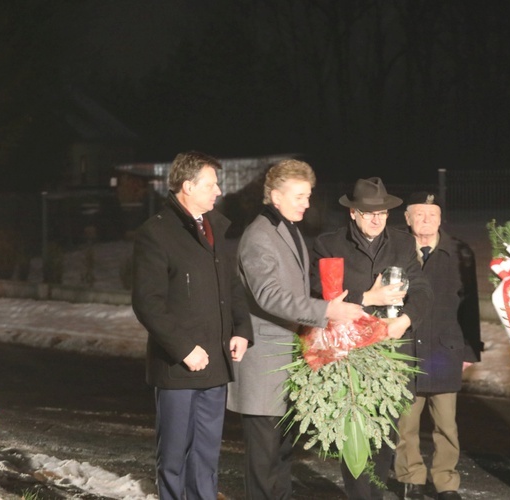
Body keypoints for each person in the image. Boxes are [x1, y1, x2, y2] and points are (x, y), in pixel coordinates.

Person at [227, 159, 364, 500]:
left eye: (308, 195)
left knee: (282, 454)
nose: (307, 202)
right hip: (264, 364)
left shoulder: (287, 228)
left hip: (285, 362)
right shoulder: (259, 235)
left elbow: (295, 291)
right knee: (264, 460)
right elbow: (270, 296)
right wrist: (326, 310)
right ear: (275, 196)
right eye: (300, 196)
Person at [131, 151, 253, 500]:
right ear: (187, 186)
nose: (218, 191)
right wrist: (184, 349)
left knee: (206, 454)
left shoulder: (215, 227)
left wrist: (242, 329)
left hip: (214, 363)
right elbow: (147, 303)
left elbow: (230, 287)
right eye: (211, 184)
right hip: (178, 368)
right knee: (174, 455)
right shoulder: (156, 232)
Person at [310, 177, 433, 500]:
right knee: (355, 436)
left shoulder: (404, 244)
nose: (376, 218)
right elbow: (317, 296)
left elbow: (421, 289)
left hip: (391, 355)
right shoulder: (328, 244)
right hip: (348, 353)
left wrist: (406, 320)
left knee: (384, 435)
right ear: (353, 213)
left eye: (382, 212)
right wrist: (368, 297)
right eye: (368, 213)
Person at [394, 192, 483, 500]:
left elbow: (470, 303)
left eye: (433, 214)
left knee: (446, 424)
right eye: (420, 214)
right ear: (407, 219)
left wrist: (471, 349)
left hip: (445, 349)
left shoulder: (459, 252)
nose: (427, 220)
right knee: (407, 422)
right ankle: (412, 478)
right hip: (406, 349)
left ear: (441, 218)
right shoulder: (396, 249)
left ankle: (446, 482)